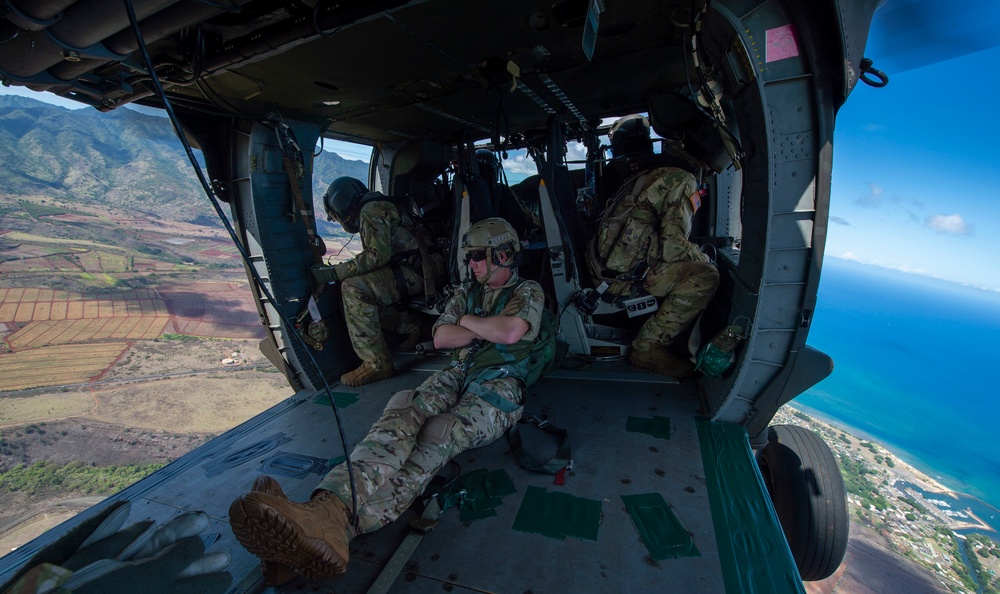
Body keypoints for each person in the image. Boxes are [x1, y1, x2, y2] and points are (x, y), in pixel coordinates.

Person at [228, 217, 544, 584]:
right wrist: (477, 324)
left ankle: (335, 528)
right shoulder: (467, 292)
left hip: (499, 387)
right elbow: (441, 337)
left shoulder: (528, 292)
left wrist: (468, 322)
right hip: (456, 374)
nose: (470, 264)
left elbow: (509, 331)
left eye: (477, 256)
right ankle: (327, 507)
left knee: (436, 437)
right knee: (400, 416)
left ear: (503, 255)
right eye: (470, 256)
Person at [587, 114, 719, 377]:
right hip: (619, 280)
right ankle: (648, 346)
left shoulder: (654, 172)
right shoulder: (680, 179)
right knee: (706, 275)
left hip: (602, 269)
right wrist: (702, 259)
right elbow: (673, 248)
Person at [311, 177, 445, 387]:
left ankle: (377, 364)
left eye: (336, 216)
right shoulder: (378, 204)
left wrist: (335, 273)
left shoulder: (371, 210)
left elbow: (376, 256)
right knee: (369, 287)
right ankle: (415, 327)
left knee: (355, 288)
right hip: (423, 268)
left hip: (421, 272)